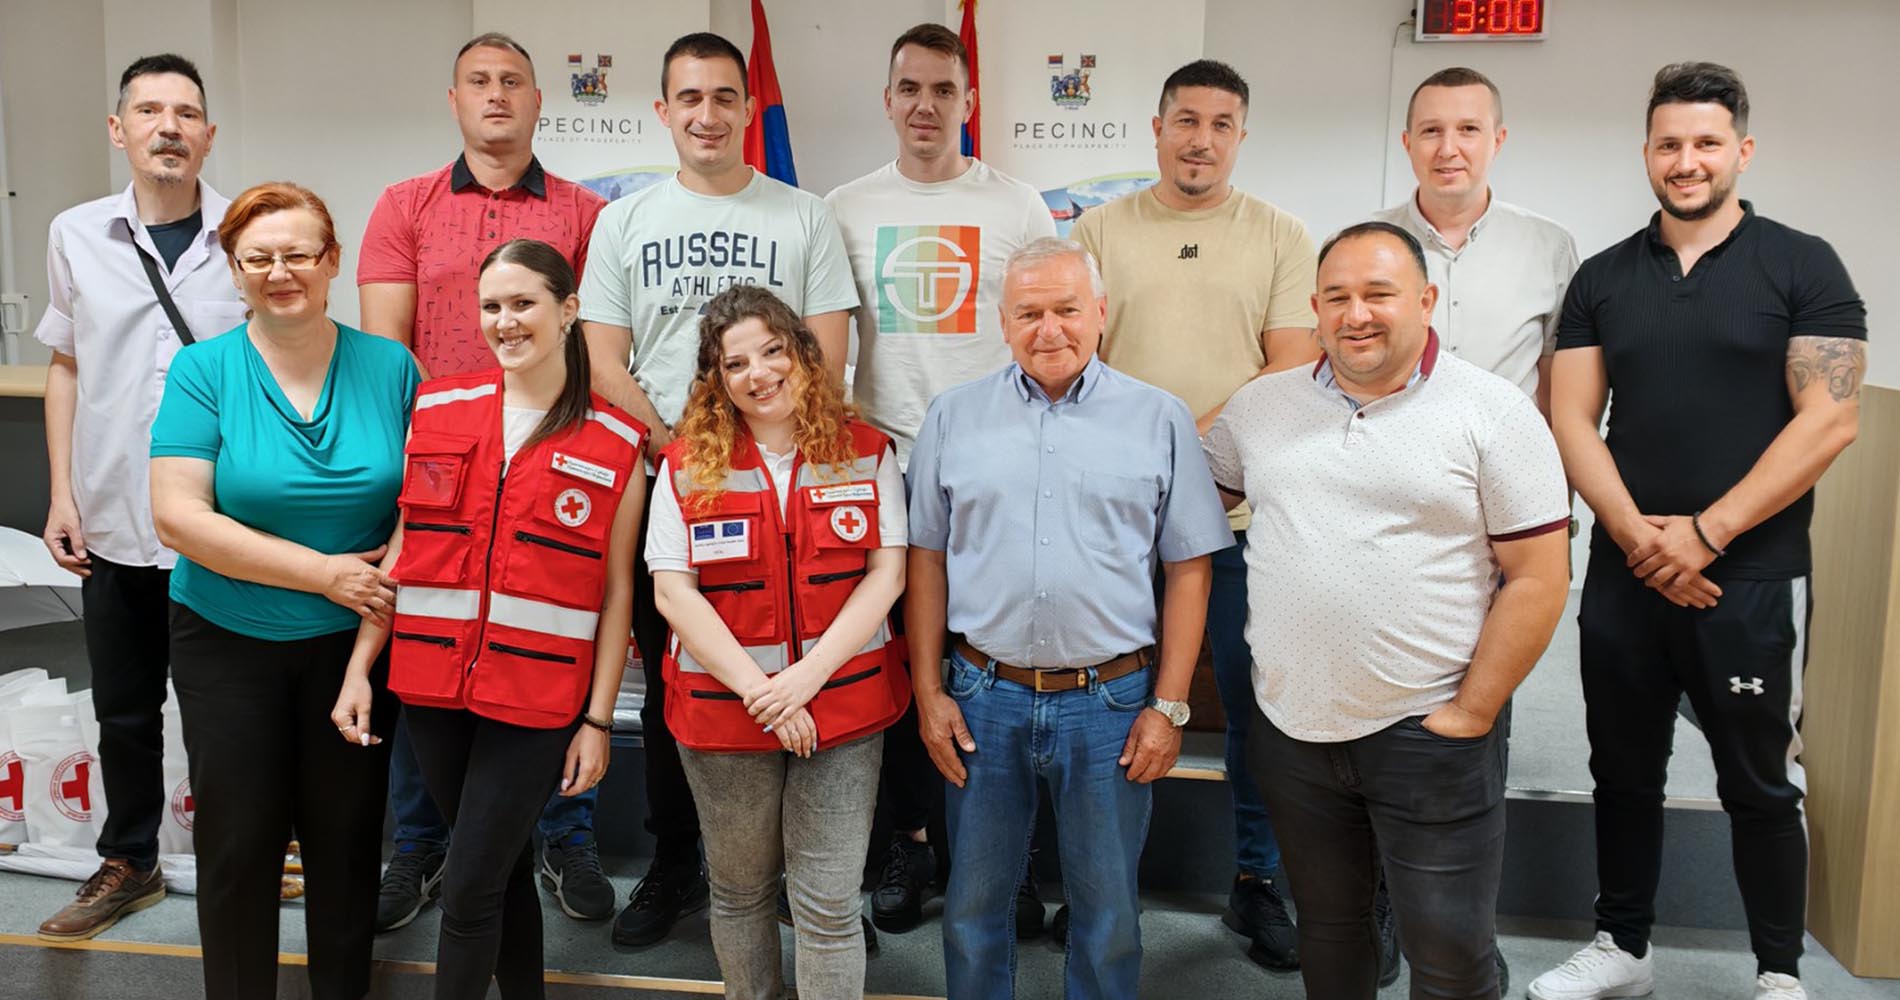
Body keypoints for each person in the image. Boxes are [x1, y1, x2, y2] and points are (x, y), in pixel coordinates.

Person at [1530, 63, 1864, 1000]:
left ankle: (1778, 973)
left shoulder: (1803, 264)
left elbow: (1830, 420)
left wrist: (1705, 535)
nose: (1687, 161)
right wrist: (1642, 539)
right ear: (1647, 153)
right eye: (1669, 144)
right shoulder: (1603, 276)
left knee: (1758, 781)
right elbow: (1569, 417)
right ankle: (1623, 948)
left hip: (1750, 576)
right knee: (1622, 770)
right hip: (1626, 574)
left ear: (1741, 151)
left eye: (1707, 143)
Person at [1203, 220, 1570, 1000]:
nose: (1356, 314)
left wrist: (1472, 711)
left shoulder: (1494, 411)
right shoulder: (1260, 408)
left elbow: (1539, 578)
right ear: (1314, 309)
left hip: (1429, 730)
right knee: (1331, 935)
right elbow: (1181, 495)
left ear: (1427, 301)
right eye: (1337, 297)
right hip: (1295, 731)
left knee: (1450, 954)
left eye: (1379, 294)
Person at [578, 30, 858, 946]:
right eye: (689, 98)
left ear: (749, 107)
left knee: (796, 666)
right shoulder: (623, 221)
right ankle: (676, 862)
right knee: (680, 683)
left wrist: (754, 461)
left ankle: (788, 875)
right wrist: (688, 455)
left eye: (724, 96)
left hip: (788, 494)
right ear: (664, 111)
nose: (707, 114)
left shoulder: (804, 216)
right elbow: (603, 360)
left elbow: (822, 357)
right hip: (671, 486)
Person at [908, 237, 1230, 1000]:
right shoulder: (953, 417)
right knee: (973, 906)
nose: (1049, 330)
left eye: (1067, 310)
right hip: (982, 696)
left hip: (1110, 704)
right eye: (1029, 313)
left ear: (1101, 313)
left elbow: (1189, 569)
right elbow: (925, 559)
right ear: (1003, 322)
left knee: (1108, 910)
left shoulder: (1160, 418)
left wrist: (1170, 707)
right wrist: (929, 691)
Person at [331, 238, 645, 999]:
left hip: (537, 700)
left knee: (469, 889)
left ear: (568, 310)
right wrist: (360, 668)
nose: (505, 322)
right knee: (499, 873)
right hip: (431, 688)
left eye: (524, 303)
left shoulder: (616, 442)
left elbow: (615, 597)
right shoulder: (437, 408)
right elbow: (405, 551)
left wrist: (598, 720)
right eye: (492, 306)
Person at [356, 30, 614, 932]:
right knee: (427, 652)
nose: (496, 94)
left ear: (539, 100)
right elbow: (387, 357)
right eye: (479, 81)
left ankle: (565, 834)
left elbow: (600, 346)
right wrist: (432, 462)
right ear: (454, 100)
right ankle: (421, 845)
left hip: (554, 465)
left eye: (513, 81)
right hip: (439, 472)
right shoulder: (405, 205)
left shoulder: (587, 212)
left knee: (552, 644)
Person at [1069, 57, 1318, 969]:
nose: (1201, 140)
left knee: (1254, 704)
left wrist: (1187, 455)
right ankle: (1101, 887)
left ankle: (1256, 882)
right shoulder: (1098, 230)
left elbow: (1290, 367)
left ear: (1240, 136)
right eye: (1186, 120)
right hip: (1117, 521)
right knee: (1106, 701)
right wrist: (1151, 467)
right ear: (1157, 127)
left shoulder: (1280, 234)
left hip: (1238, 516)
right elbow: (1077, 360)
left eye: (1220, 124)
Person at [148, 182, 420, 1000]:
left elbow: (423, 510)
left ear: (332, 261)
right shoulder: (204, 370)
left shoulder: (391, 367)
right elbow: (179, 518)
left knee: (347, 840)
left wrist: (365, 628)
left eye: (298, 254)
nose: (280, 272)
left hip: (355, 646)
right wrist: (326, 573)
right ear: (234, 271)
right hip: (227, 639)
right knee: (239, 846)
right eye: (257, 258)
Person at [821, 20, 1054, 934]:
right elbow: (828, 347)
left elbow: (1043, 329)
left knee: (994, 667)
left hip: (995, 471)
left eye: (943, 90)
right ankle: (907, 844)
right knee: (891, 671)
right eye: (910, 88)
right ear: (888, 100)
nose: (926, 105)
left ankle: (1001, 860)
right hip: (882, 470)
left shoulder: (1018, 206)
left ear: (969, 100)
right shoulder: (844, 207)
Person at [1369, 64, 1580, 993]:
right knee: (1382, 709)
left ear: (1497, 140)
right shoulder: (1372, 242)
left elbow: (1563, 389)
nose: (1448, 148)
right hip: (1391, 514)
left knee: (1476, 714)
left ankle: (1459, 932)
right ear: (1407, 141)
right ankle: (1379, 910)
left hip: (1501, 521)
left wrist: (1549, 510)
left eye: (1467, 130)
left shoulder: (1549, 247)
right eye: (1430, 130)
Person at [33, 53, 245, 943]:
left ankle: (245, 854)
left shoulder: (248, 230)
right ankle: (130, 860)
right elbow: (67, 365)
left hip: (224, 526)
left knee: (231, 709)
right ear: (119, 130)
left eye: (186, 113)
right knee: (124, 709)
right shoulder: (76, 233)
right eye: (150, 111)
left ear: (209, 134)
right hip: (114, 515)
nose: (169, 127)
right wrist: (61, 494)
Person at [649, 284, 908, 1000]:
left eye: (772, 351)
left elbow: (887, 576)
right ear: (716, 380)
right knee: (739, 894)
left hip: (842, 712)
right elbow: (673, 593)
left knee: (828, 906)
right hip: (725, 717)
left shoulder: (866, 452)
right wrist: (764, 694)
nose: (758, 374)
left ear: (803, 354)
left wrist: (804, 682)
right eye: (735, 364)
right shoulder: (684, 466)